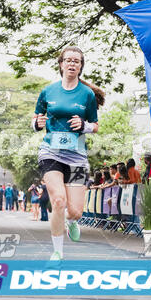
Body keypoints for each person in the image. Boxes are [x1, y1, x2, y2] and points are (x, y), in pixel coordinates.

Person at [32, 45, 105, 260]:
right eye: (69, 60)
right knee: (58, 201)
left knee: (75, 211)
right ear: (61, 64)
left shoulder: (87, 95)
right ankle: (57, 252)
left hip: (77, 157)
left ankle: (71, 221)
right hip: (51, 152)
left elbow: (95, 125)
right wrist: (37, 124)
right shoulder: (48, 91)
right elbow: (35, 119)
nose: (72, 63)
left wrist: (84, 125)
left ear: (81, 67)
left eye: (77, 61)